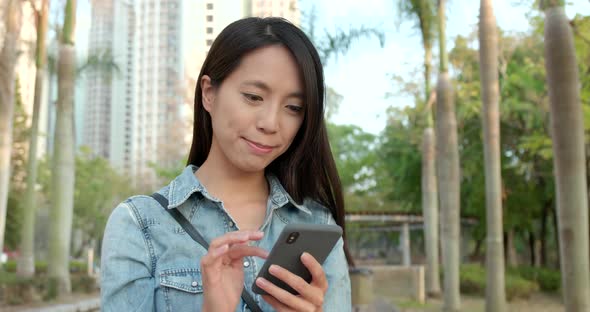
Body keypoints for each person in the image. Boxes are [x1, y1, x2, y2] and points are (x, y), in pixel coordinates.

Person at [101, 17, 352, 312]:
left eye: (293, 108)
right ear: (209, 93)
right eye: (253, 97)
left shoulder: (317, 225)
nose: (271, 123)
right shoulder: (140, 224)